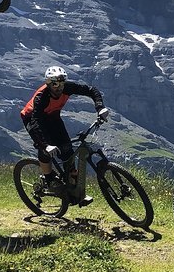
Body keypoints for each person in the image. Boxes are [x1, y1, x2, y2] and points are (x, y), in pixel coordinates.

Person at [20, 66, 109, 206]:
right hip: (32, 118)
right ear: (48, 83)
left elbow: (91, 90)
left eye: (61, 83)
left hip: (53, 117)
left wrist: (100, 107)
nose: (59, 87)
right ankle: (49, 179)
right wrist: (45, 145)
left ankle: (75, 193)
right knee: (44, 148)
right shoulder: (41, 97)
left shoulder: (67, 88)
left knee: (67, 151)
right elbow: (36, 122)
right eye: (55, 84)